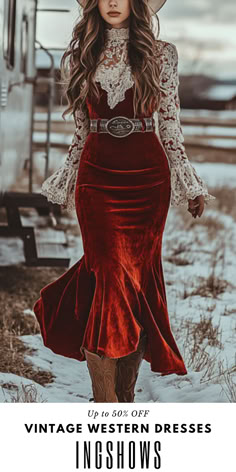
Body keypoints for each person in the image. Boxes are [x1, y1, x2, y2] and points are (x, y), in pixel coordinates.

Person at [33, 0, 216, 403]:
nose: (113, 1)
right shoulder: (82, 52)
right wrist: (67, 179)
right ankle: (105, 399)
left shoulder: (162, 53)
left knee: (136, 285)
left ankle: (125, 395)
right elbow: (82, 131)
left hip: (148, 181)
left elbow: (169, 122)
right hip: (97, 180)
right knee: (111, 274)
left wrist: (190, 184)